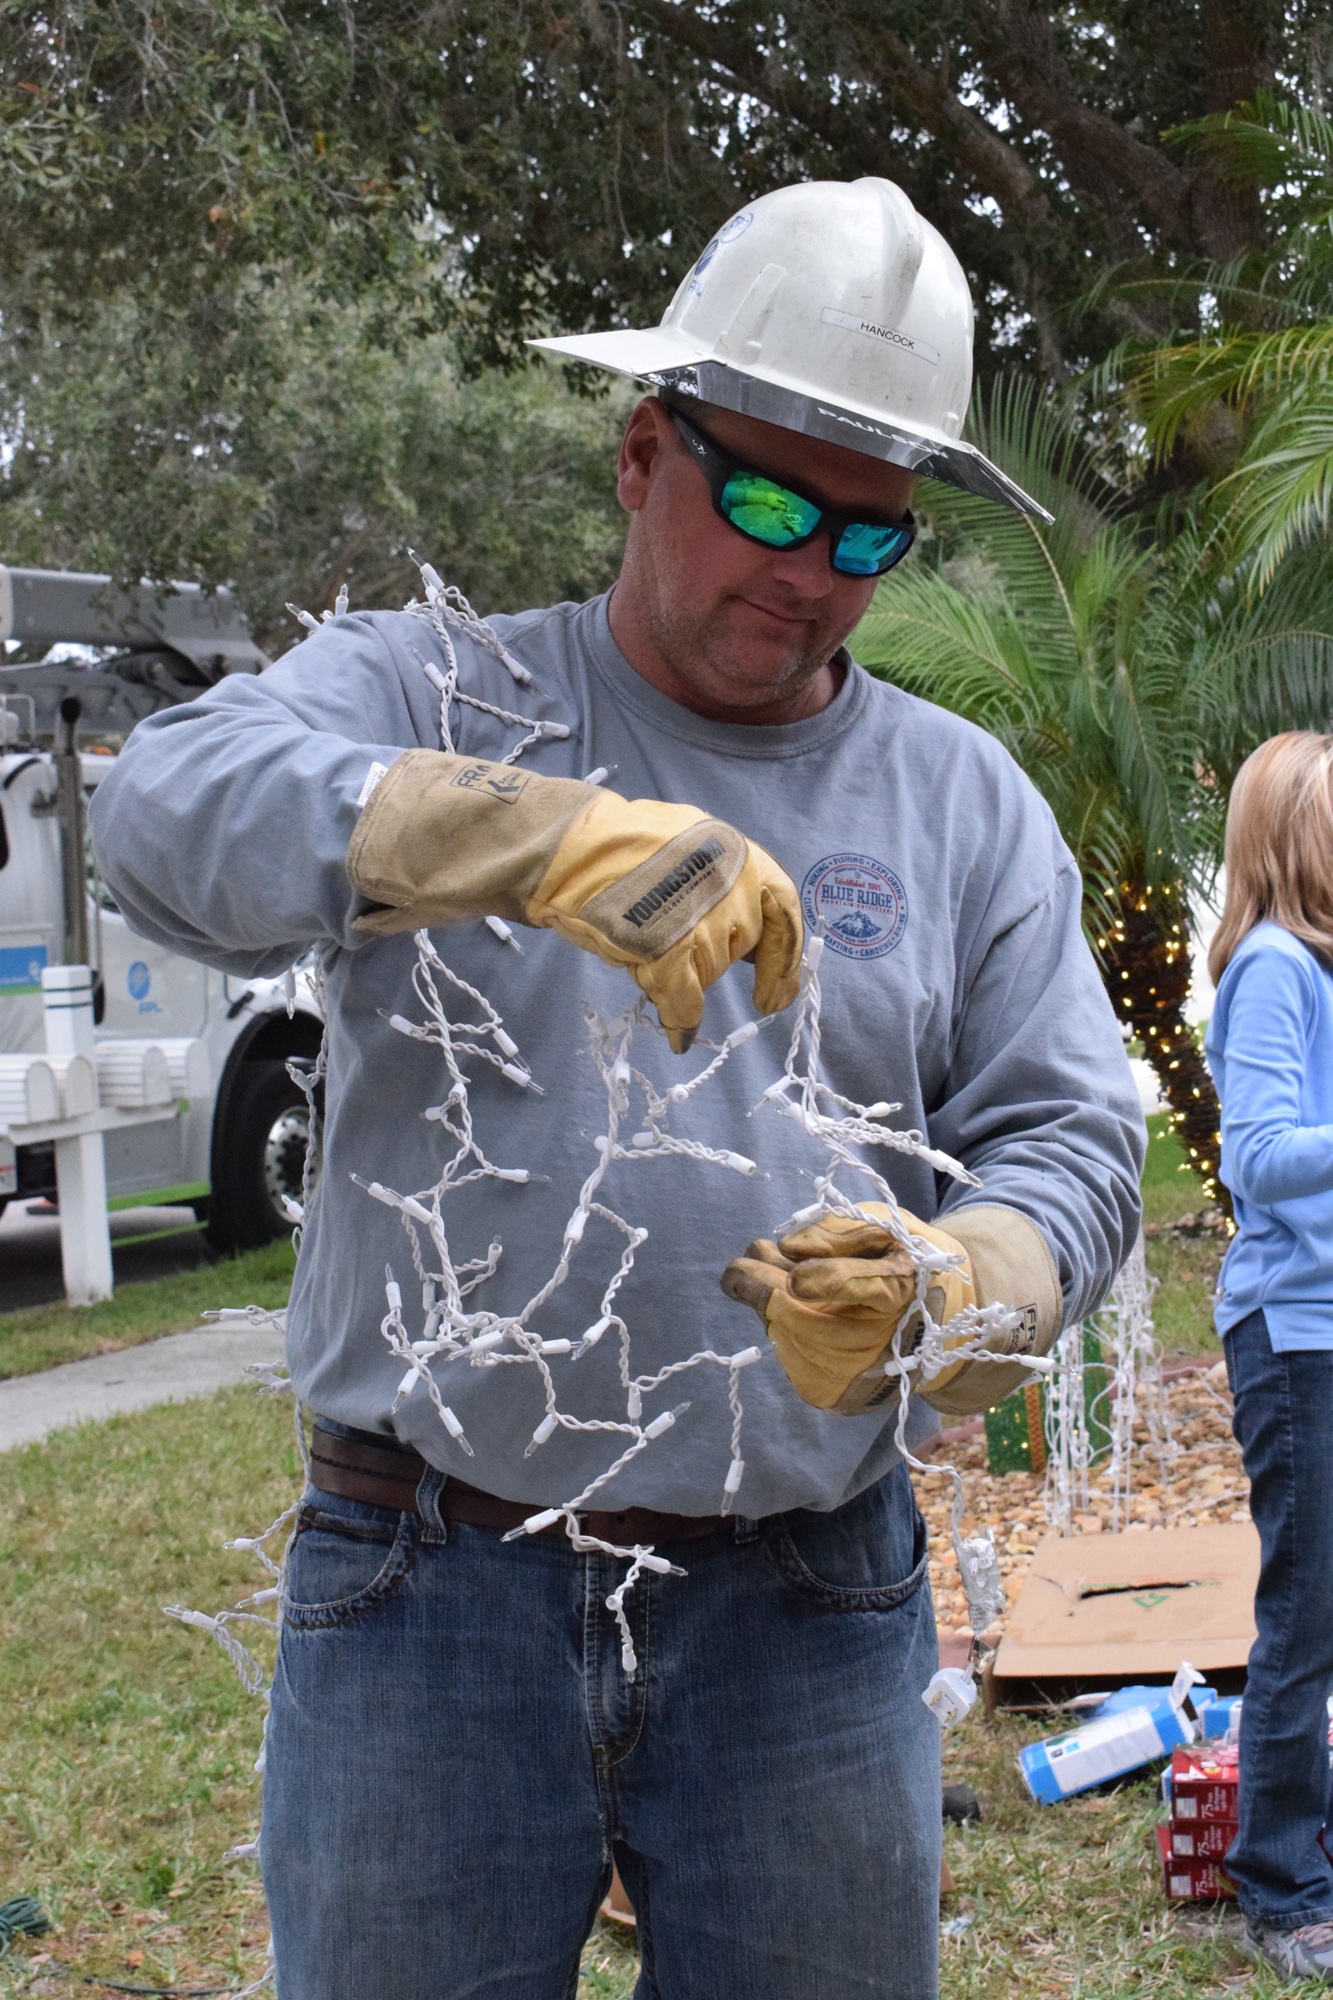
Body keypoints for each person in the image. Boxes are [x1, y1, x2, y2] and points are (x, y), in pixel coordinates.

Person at [90, 176, 1143, 2000]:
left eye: (866, 535)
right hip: (426, 1588)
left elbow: (1066, 1131)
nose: (809, 570)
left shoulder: (963, 802)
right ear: (641, 452)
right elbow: (160, 811)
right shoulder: (440, 685)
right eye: (759, 499)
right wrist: (497, 828)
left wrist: (969, 1284)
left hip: (807, 1607)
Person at [1205, 732, 1333, 1982]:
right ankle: (1282, 1886)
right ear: (1297, 832)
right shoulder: (1275, 968)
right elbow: (1260, 1159)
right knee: (1308, 1612)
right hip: (1297, 1334)